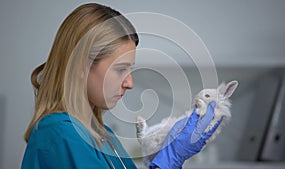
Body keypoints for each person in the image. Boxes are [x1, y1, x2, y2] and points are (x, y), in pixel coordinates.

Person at [21, 3, 222, 169]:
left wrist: (161, 156)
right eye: (120, 70)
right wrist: (168, 160)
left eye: (130, 70)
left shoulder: (103, 134)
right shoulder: (59, 135)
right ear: (81, 65)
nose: (130, 83)